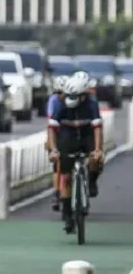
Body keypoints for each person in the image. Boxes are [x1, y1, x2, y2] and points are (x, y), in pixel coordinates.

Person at [47, 73, 105, 233]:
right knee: (65, 176)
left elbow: (97, 128)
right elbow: (51, 130)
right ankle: (67, 216)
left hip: (86, 136)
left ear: (83, 96)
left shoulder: (91, 104)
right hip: (68, 137)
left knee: (96, 159)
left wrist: (98, 150)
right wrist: (53, 150)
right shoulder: (60, 105)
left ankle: (91, 180)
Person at [47, 75, 69, 211]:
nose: (62, 96)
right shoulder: (53, 101)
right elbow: (50, 124)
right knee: (57, 164)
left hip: (71, 132)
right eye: (59, 93)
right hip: (58, 132)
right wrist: (49, 141)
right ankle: (56, 192)